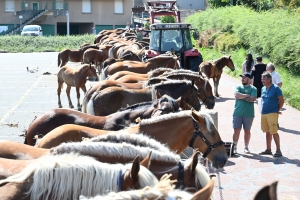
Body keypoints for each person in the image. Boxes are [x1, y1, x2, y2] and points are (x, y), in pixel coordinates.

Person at [259, 71, 284, 157]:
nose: (262, 80)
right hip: (264, 113)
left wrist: (277, 110)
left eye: (264, 78)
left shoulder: (276, 88)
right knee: (267, 132)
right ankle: (268, 149)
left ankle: (278, 150)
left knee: (274, 131)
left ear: (269, 79)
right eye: (262, 78)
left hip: (272, 113)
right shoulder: (263, 88)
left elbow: (281, 100)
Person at [232, 72, 257, 154]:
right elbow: (236, 95)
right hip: (237, 112)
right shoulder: (238, 87)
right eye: (242, 77)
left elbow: (252, 99)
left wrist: (242, 96)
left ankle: (246, 147)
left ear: (249, 79)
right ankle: (234, 146)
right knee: (236, 130)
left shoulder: (253, 89)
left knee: (247, 131)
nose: (242, 79)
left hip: (249, 114)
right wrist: (247, 95)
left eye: (245, 77)